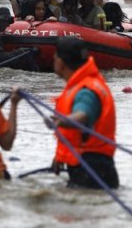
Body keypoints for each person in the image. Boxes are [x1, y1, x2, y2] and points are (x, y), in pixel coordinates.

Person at [47, 37, 119, 189]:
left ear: (61, 62)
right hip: (91, 166)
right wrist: (60, 156)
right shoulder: (85, 83)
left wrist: (62, 121)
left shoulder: (86, 91)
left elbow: (82, 115)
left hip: (93, 170)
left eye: (54, 57)